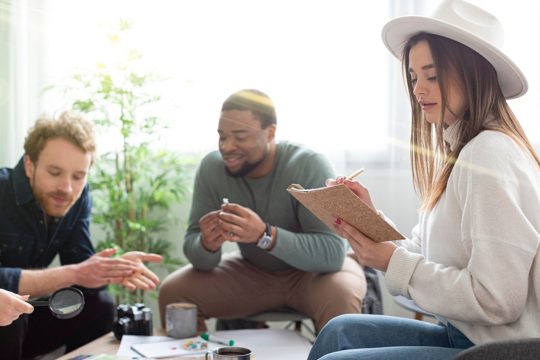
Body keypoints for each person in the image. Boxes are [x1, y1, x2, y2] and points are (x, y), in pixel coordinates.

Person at [308, 0, 540, 359]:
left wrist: (389, 261)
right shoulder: (464, 152)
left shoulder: (489, 153)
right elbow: (429, 256)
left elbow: (497, 301)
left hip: (498, 351)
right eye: (414, 77)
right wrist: (372, 224)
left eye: (432, 76)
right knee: (340, 332)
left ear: (473, 74)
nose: (417, 90)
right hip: (462, 335)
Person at [159, 89, 366, 333]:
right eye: (222, 136)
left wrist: (264, 235)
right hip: (252, 272)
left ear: (270, 133)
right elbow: (200, 258)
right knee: (174, 293)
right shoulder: (212, 168)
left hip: (313, 276)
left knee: (341, 298)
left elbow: (331, 256)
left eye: (240, 136)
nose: (227, 146)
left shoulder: (308, 164)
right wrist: (206, 244)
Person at [0, 112, 163, 359]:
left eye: (78, 176)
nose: (66, 188)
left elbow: (84, 276)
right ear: (29, 165)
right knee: (10, 315)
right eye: (55, 172)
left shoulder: (77, 197)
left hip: (25, 318)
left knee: (100, 306)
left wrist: (110, 268)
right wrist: (77, 273)